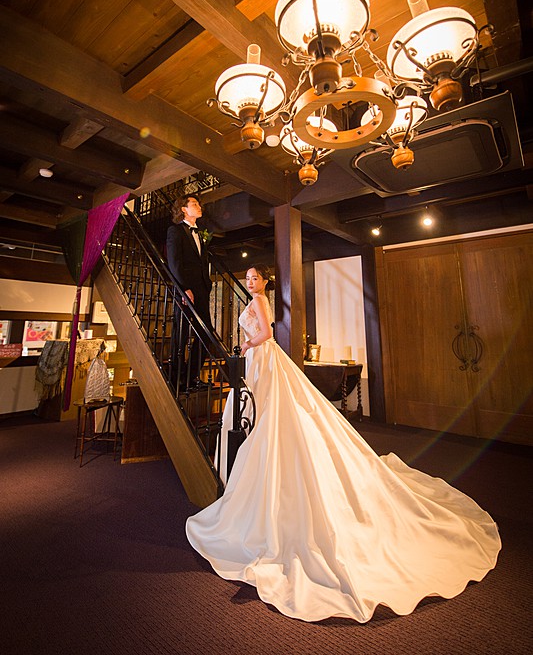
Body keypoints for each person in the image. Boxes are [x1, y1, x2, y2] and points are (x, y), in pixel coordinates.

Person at [186, 264, 501, 623]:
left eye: (255, 278)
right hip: (258, 360)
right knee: (259, 409)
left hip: (262, 355)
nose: (250, 282)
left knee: (272, 411)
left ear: (265, 281)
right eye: (248, 278)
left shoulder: (260, 301)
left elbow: (267, 333)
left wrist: (246, 343)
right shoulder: (254, 299)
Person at [166, 194, 212, 387]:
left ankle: (191, 376)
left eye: (198, 203)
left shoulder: (199, 233)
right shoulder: (175, 231)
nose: (199, 206)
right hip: (185, 289)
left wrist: (207, 284)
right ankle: (176, 378)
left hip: (202, 289)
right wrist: (184, 288)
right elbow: (174, 262)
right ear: (184, 209)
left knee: (206, 332)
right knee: (181, 333)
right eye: (194, 203)